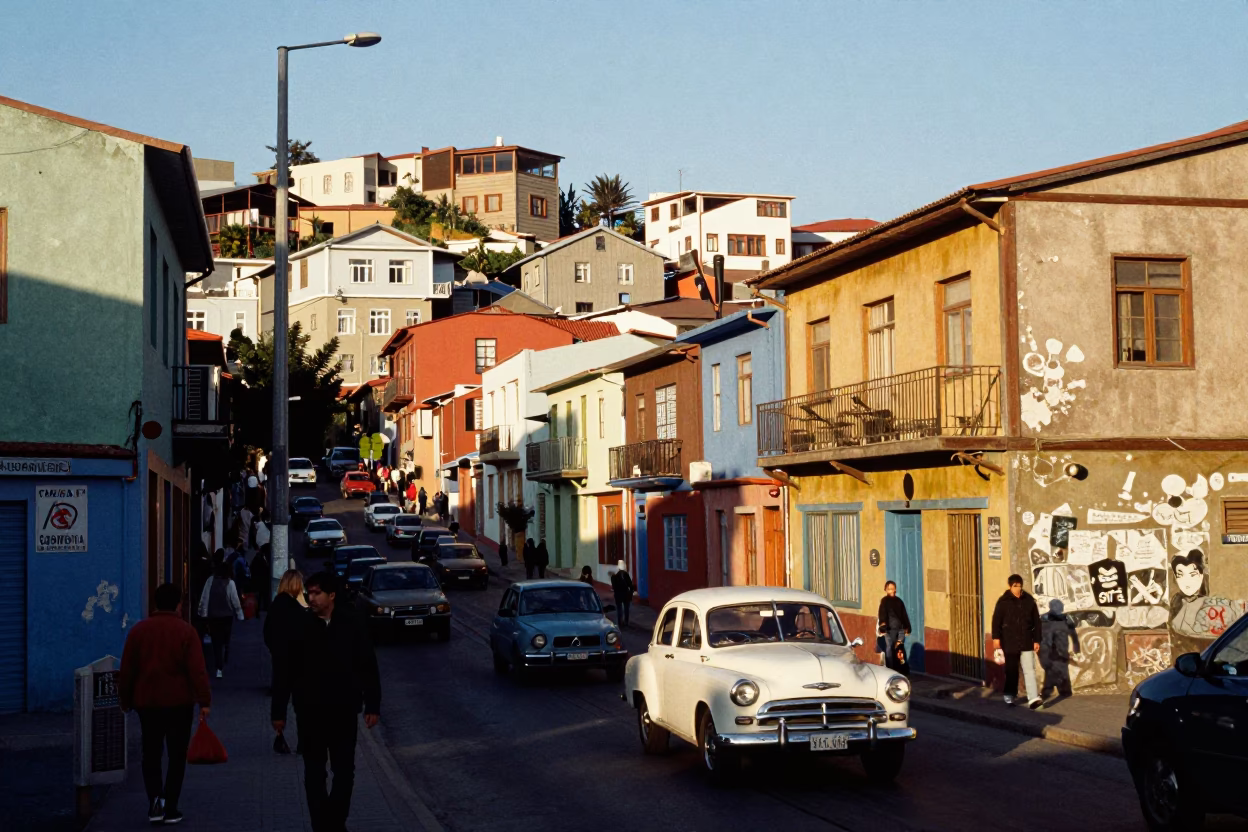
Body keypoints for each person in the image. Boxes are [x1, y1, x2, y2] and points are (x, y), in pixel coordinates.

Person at [272, 571, 380, 832]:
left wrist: (372, 704)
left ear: (332, 595)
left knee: (344, 772)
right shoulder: (300, 626)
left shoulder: (351, 624)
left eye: (317, 593)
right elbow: (284, 670)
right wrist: (279, 711)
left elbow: (367, 665)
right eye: (309, 593)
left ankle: (335, 820)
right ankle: (322, 825)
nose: (311, 598)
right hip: (310, 713)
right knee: (314, 772)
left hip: (343, 711)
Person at [119, 583, 212, 826]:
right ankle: (171, 806)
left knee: (151, 753)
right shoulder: (186, 632)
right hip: (179, 703)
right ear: (178, 604)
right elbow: (197, 670)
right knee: (176, 754)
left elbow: (127, 669)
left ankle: (154, 802)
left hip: (147, 703)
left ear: (155, 604)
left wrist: (125, 699)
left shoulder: (139, 632)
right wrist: (204, 700)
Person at [265, 570, 308, 753]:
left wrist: (276, 651)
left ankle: (279, 735)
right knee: (302, 702)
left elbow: (267, 633)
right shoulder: (299, 609)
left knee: (280, 697)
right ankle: (304, 741)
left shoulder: (276, 605)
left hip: (281, 660)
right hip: (299, 662)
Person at [991, 573, 1043, 709]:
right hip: (1009, 642)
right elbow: (996, 621)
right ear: (1010, 586)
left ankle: (1033, 698)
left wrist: (1037, 640)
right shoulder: (1003, 602)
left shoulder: (1029, 601)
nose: (1018, 589)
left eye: (1019, 586)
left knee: (1029, 670)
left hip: (1026, 641)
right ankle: (1010, 696)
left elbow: (1037, 622)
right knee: (1012, 670)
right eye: (1015, 586)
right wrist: (996, 640)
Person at [198, 558, 244, 678]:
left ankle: (219, 666)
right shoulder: (230, 583)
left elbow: (204, 598)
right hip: (227, 615)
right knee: (225, 637)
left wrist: (203, 614)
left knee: (216, 642)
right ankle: (226, 649)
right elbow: (235, 600)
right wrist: (240, 615)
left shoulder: (210, 581)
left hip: (213, 616)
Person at [877, 580, 912, 676]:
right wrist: (883, 627)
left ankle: (903, 670)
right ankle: (890, 670)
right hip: (889, 630)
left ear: (895, 589)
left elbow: (904, 615)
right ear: (886, 590)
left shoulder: (899, 601)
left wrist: (907, 627)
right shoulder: (884, 601)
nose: (891, 590)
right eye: (889, 589)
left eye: (892, 588)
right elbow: (882, 614)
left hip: (899, 629)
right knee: (890, 649)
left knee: (900, 649)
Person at [610, 560, 635, 627]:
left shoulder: (614, 576)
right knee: (626, 609)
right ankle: (626, 622)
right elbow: (630, 584)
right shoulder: (625, 574)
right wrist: (631, 591)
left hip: (618, 595)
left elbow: (614, 586)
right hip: (625, 594)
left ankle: (620, 623)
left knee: (619, 609)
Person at [252, 543, 272, 613]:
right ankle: (260, 607)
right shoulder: (259, 558)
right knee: (261, 593)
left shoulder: (266, 558)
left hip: (264, 579)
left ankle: (264, 606)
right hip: (261, 579)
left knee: (263, 593)